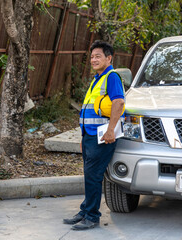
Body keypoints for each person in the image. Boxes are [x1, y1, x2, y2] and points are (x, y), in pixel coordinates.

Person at [63, 40, 125, 230]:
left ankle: (92, 216)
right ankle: (85, 210)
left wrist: (110, 130)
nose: (93, 60)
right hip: (90, 136)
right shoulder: (98, 78)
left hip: (102, 137)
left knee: (94, 176)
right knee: (89, 175)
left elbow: (119, 103)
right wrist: (83, 137)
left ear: (109, 58)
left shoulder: (112, 77)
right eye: (91, 57)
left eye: (98, 56)